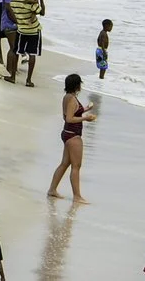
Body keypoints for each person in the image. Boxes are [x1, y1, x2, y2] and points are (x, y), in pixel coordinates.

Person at [46, 73, 95, 203]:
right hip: (73, 135)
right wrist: (86, 118)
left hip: (67, 133)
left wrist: (85, 109)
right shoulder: (72, 99)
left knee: (65, 163)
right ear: (77, 85)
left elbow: (69, 114)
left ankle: (52, 190)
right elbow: (69, 118)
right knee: (76, 166)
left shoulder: (67, 97)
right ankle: (77, 196)